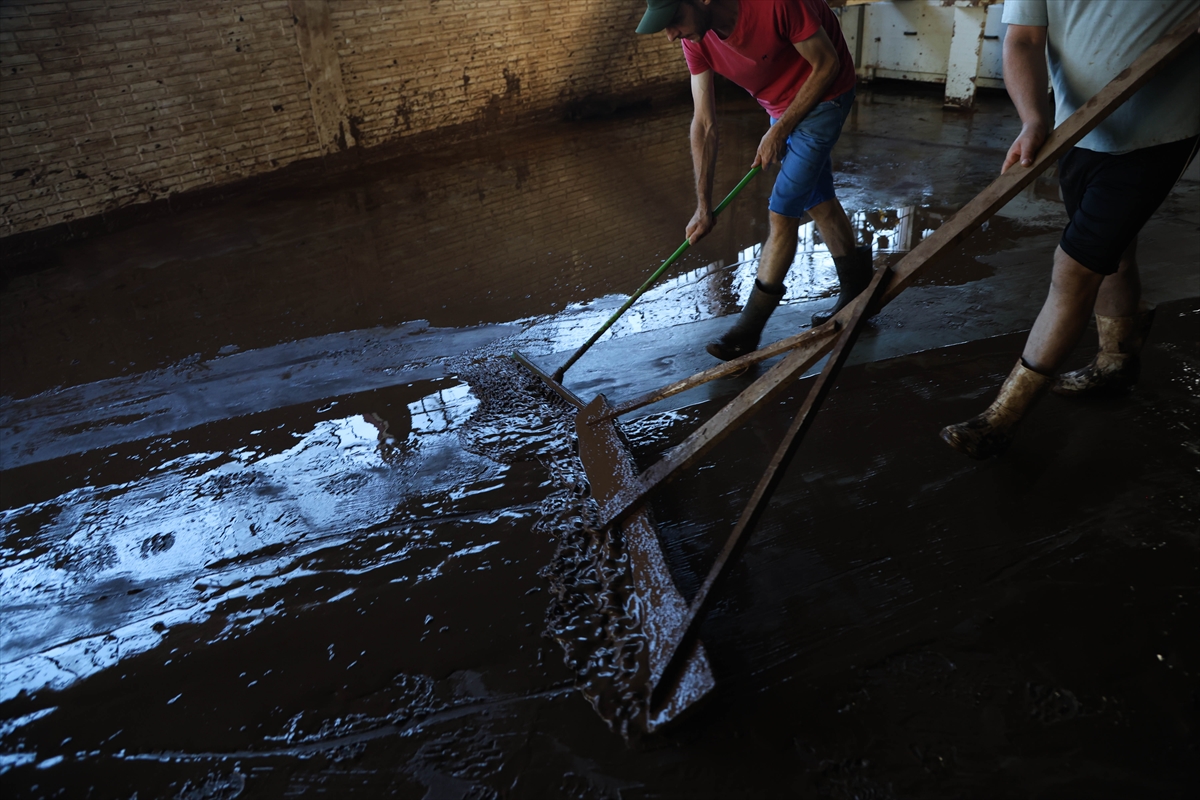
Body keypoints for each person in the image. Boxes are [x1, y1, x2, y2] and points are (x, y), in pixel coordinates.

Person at [941, 0, 1200, 459]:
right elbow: (1023, 39)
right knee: (1111, 251)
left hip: (1158, 135)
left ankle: (1004, 416)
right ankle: (1117, 362)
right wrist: (1033, 120)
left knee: (1075, 268)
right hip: (1077, 128)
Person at [635, 0, 872, 361]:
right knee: (817, 200)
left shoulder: (773, 4)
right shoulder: (695, 39)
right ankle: (859, 292)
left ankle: (746, 332)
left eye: (674, 21)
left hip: (826, 95)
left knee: (782, 211)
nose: (671, 36)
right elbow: (704, 123)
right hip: (779, 105)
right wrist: (703, 207)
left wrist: (781, 131)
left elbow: (827, 64)